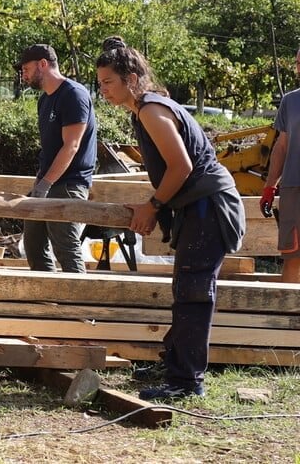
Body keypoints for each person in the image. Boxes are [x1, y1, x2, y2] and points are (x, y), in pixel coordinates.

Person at [96, 35, 245, 401]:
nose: (103, 91)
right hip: (197, 206)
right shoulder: (143, 110)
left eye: (108, 82)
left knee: (194, 292)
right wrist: (152, 202)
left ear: (131, 78)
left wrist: (153, 206)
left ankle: (186, 383)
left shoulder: (150, 109)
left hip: (210, 206)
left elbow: (182, 166)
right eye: (99, 84)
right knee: (184, 288)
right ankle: (175, 364)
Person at [15, 44, 97, 273]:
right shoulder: (44, 101)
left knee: (65, 247)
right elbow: (49, 150)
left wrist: (45, 184)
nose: (24, 74)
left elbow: (71, 146)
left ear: (43, 64)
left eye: (26, 68)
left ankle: (80, 305)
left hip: (70, 184)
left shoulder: (73, 94)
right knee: (33, 242)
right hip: (48, 182)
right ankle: (48, 300)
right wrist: (39, 183)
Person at [259, 46, 300, 283]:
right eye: (297, 63)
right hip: (293, 190)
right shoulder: (290, 101)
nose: (299, 68)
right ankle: (287, 319)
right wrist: (269, 187)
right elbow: (281, 147)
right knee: (292, 258)